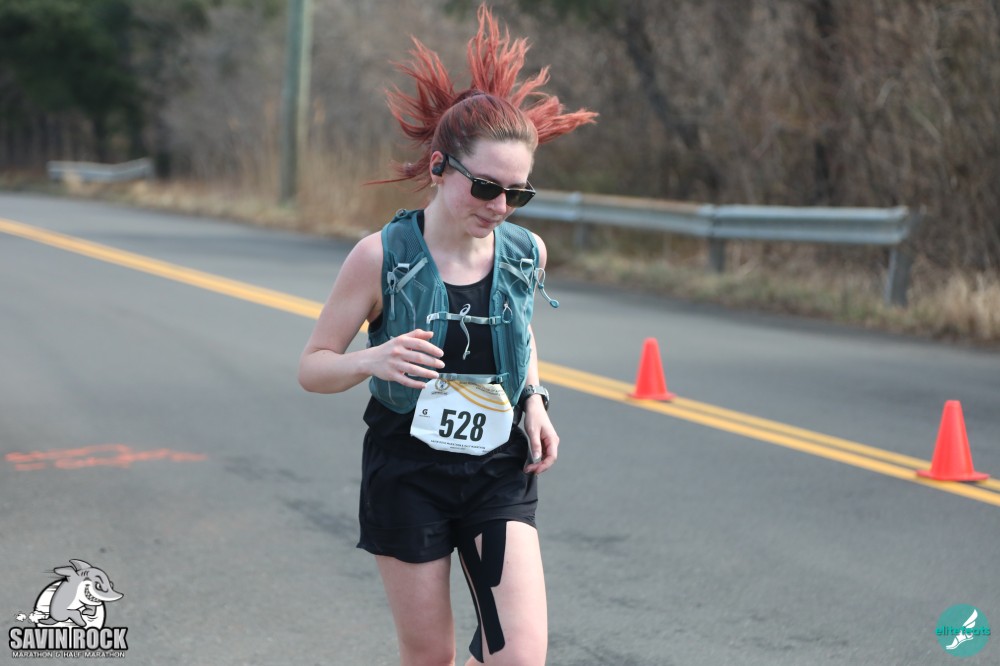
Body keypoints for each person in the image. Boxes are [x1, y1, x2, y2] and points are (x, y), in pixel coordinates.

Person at [298, 5, 595, 664]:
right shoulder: (381, 256)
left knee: (519, 657)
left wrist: (535, 399)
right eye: (485, 188)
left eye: (517, 194)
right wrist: (373, 358)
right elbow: (312, 367)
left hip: (498, 470)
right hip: (408, 473)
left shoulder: (525, 253)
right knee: (430, 656)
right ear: (439, 167)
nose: (499, 207)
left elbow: (519, 335)